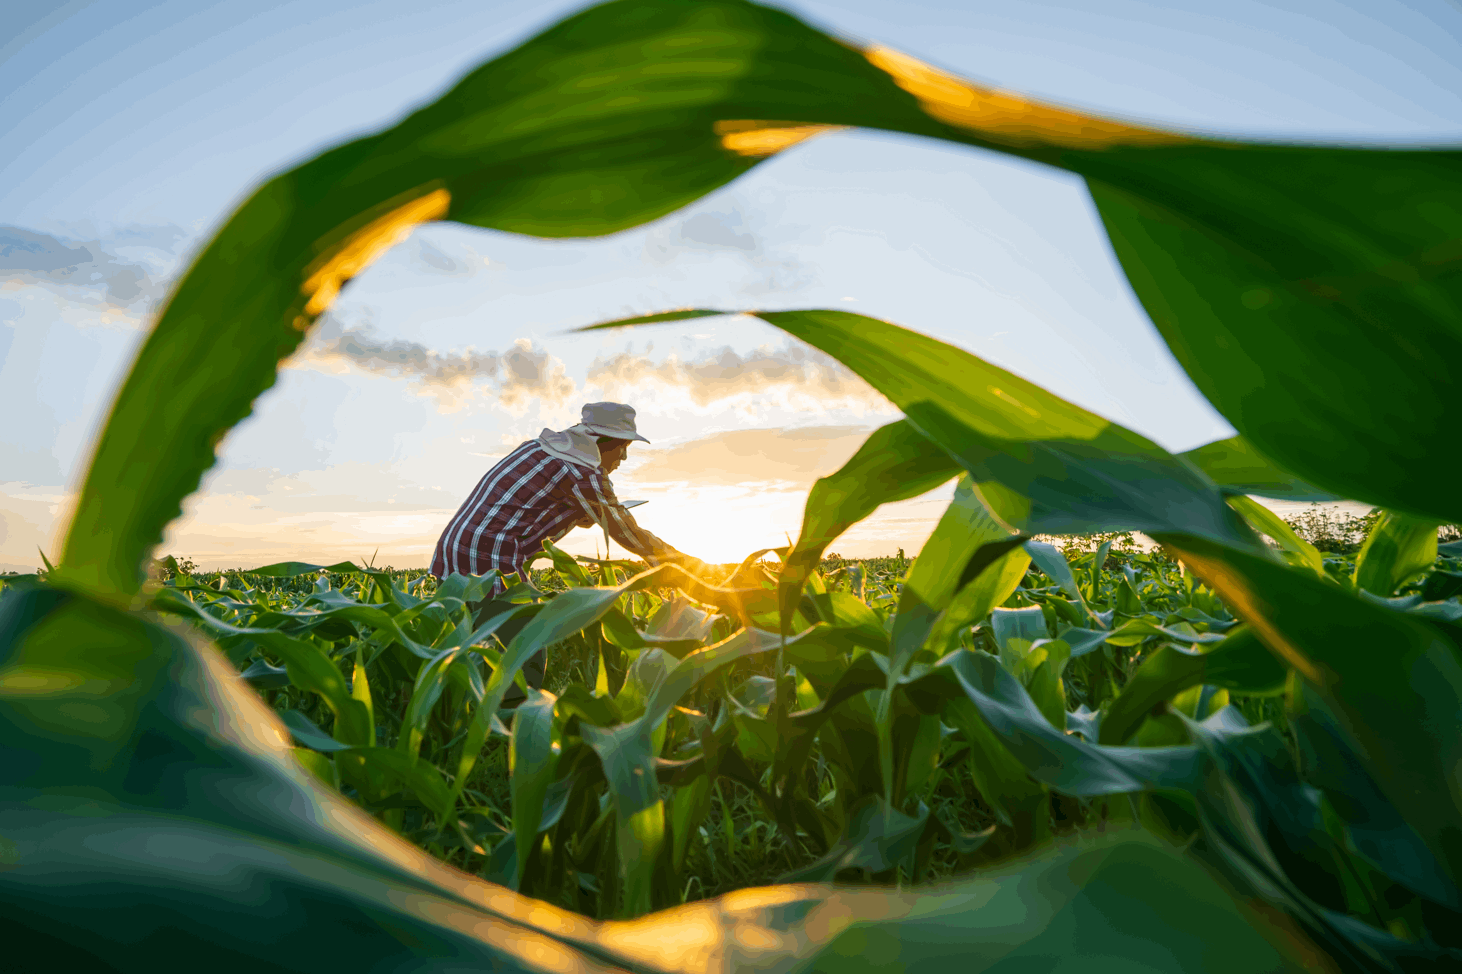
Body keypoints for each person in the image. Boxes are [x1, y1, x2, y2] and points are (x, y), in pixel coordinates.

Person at [429, 402, 697, 693]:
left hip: (458, 547)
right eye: (622, 446)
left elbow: (533, 506)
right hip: (489, 556)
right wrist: (683, 565)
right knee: (527, 645)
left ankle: (463, 707)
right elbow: (627, 532)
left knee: (467, 643)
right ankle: (514, 722)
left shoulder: (544, 450)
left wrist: (584, 515)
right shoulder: (583, 471)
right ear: (601, 442)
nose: (625, 456)